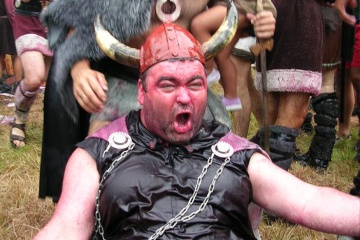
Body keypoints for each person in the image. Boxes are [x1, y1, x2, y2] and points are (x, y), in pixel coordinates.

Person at [33, 22, 360, 240]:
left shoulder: (237, 153)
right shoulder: (97, 152)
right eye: (168, 84)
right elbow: (66, 226)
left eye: (195, 83)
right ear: (141, 92)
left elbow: (307, 201)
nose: (185, 96)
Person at [38, 0, 275, 202]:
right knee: (102, 161)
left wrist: (258, 20)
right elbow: (73, 15)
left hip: (185, 82)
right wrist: (79, 67)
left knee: (219, 161)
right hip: (124, 79)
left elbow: (241, 8)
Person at [249, 0, 325, 171]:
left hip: (276, 12)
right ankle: (269, 184)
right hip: (293, 14)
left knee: (276, 119)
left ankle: (262, 181)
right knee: (286, 116)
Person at [190, 0, 276, 111]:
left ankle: (209, 70)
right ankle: (231, 98)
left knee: (198, 24)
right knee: (223, 55)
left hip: (237, 7)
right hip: (239, 9)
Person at [10, 0, 52, 148]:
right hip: (28, 19)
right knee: (35, 78)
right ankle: (19, 119)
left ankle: (56, 125)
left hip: (59, 19)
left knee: (54, 78)